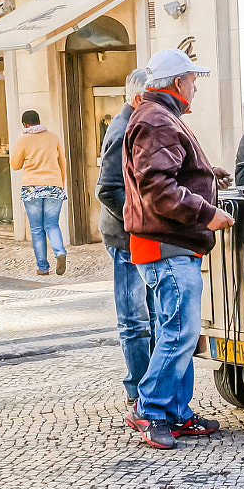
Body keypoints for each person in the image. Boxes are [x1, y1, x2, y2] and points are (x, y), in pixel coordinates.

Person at [122, 49, 234, 450]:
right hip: (167, 244)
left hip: (168, 244)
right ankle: (151, 409)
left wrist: (206, 174)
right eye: (192, 79)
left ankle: (176, 413)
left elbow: (168, 174)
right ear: (176, 84)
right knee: (179, 332)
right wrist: (208, 213)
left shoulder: (157, 116)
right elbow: (159, 189)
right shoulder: (157, 120)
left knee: (180, 333)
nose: (196, 86)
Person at [97, 68, 153, 407]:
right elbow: (107, 190)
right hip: (125, 238)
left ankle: (148, 389)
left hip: (135, 235)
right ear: (137, 99)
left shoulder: (137, 125)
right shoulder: (122, 130)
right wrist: (139, 221)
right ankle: (137, 391)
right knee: (135, 319)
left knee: (150, 315)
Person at [10, 110, 68, 276]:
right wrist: (60, 185)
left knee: (36, 229)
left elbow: (15, 165)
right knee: (52, 225)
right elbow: (62, 162)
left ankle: (43, 268)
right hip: (54, 186)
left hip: (32, 188)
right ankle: (60, 252)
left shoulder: (24, 139)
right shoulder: (53, 137)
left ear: (25, 124)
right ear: (39, 121)